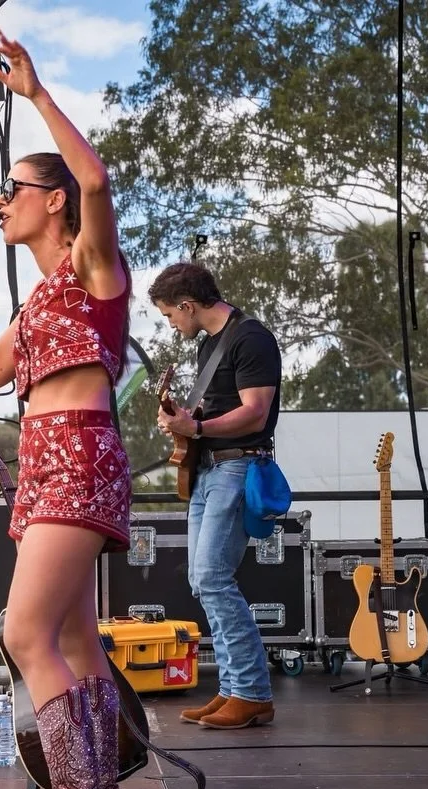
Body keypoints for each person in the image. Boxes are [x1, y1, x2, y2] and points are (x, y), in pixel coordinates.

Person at [0, 28, 131, 789]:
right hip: (41, 465)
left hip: (78, 454)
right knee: (75, 639)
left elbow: (98, 181)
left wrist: (36, 95)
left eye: (13, 189)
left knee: (20, 632)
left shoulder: (91, 267)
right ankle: (99, 785)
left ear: (53, 200)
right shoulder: (39, 297)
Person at [150, 262, 280, 730]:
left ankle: (251, 692)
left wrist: (197, 426)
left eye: (169, 316)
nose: (171, 324)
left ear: (187, 304)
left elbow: (255, 414)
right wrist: (184, 420)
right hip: (208, 469)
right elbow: (217, 407)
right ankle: (232, 689)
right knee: (204, 580)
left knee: (211, 577)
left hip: (238, 465)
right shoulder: (209, 345)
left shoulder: (251, 339)